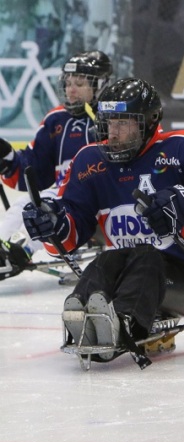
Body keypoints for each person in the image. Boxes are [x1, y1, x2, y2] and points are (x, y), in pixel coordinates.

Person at [22, 77, 184, 368]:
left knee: (146, 256)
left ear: (149, 122)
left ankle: (122, 320)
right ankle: (82, 311)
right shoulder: (90, 160)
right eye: (108, 122)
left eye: (123, 122)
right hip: (125, 272)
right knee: (103, 262)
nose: (113, 132)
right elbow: (71, 231)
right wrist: (53, 225)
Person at [0, 50, 112, 280]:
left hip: (102, 206)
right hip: (64, 195)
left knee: (48, 209)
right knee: (24, 206)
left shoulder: (112, 118)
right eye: (68, 83)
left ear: (99, 85)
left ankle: (23, 250)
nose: (71, 89)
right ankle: (4, 250)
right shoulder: (56, 119)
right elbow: (35, 169)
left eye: (79, 83)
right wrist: (9, 159)